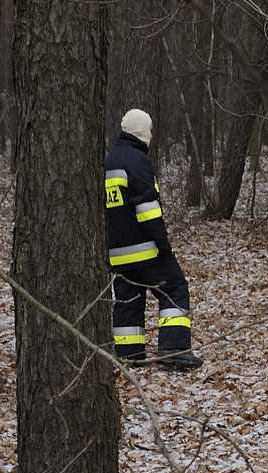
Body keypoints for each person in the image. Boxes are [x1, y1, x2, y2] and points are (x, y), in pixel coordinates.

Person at [104, 108, 203, 370]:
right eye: (149, 129)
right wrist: (163, 245)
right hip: (146, 248)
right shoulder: (137, 161)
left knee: (128, 301)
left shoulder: (108, 160)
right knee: (175, 288)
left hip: (118, 252)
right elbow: (147, 208)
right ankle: (174, 351)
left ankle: (129, 356)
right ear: (142, 130)